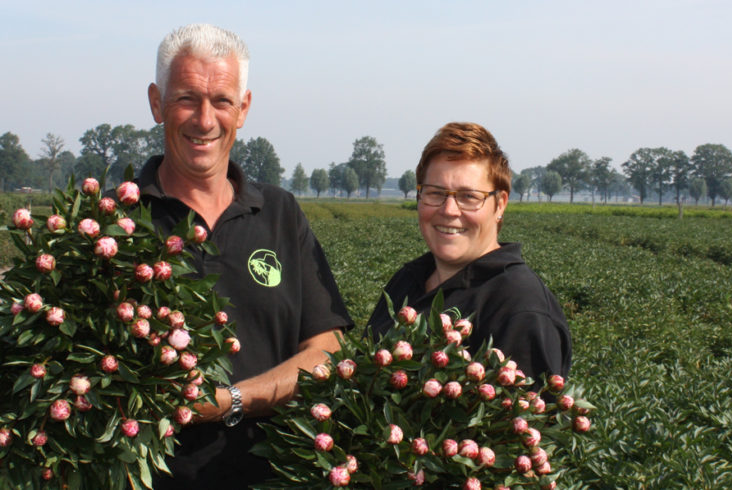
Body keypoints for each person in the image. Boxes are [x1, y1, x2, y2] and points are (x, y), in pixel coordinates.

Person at [138, 24, 353, 489]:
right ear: (157, 103)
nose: (204, 119)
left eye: (221, 101)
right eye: (186, 98)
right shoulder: (117, 222)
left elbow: (326, 350)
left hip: (272, 478)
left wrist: (232, 399)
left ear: (244, 108)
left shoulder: (280, 213)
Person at [367, 122, 571, 383]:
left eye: (469, 197)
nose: (449, 209)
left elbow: (527, 417)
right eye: (435, 193)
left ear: (500, 205)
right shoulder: (407, 281)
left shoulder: (521, 309)